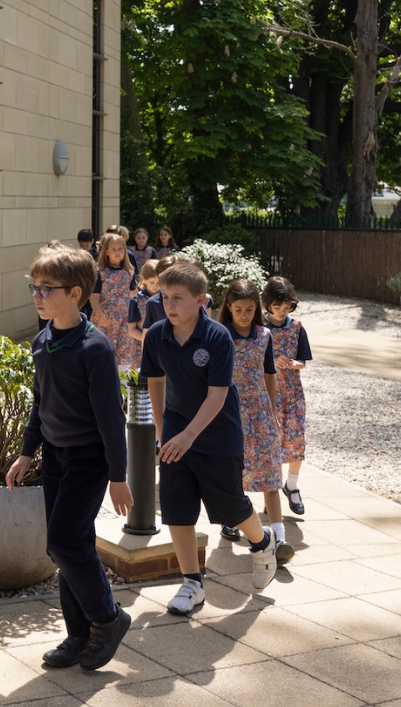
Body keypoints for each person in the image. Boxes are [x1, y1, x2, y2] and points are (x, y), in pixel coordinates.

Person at [7, 242, 134, 671]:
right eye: (35, 287)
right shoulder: (43, 341)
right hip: (56, 458)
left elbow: (112, 419)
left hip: (88, 459)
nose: (38, 295)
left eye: (47, 288)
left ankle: (108, 620)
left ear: (75, 293)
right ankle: (78, 635)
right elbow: (41, 403)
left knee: (62, 542)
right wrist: (27, 453)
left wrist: (119, 475)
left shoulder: (94, 347)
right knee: (68, 547)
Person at [140, 261, 277, 616]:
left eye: (178, 298)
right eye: (165, 297)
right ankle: (192, 583)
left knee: (229, 505)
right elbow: (155, 381)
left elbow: (217, 395)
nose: (170, 305)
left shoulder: (217, 336)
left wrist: (187, 435)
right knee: (177, 508)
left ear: (201, 300)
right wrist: (162, 429)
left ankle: (262, 543)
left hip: (217, 434)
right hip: (175, 432)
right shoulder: (156, 334)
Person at [217, 280, 294, 564]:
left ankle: (279, 536)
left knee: (271, 474)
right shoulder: (220, 334)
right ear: (228, 307)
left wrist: (272, 412)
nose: (245, 314)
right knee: (232, 471)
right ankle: (230, 519)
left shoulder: (264, 336)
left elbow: (269, 374)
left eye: (250, 309)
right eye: (238, 309)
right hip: (229, 412)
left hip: (260, 412)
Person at [263, 276, 312, 517]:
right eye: (277, 307)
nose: (282, 312)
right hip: (267, 392)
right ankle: (271, 489)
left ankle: (291, 486)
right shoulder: (258, 328)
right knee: (271, 440)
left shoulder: (297, 327)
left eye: (286, 307)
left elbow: (303, 361)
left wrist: (294, 363)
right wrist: (272, 362)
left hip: (292, 393)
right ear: (267, 304)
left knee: (296, 438)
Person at [89, 231, 138, 370]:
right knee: (104, 351)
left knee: (124, 353)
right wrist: (99, 314)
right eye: (114, 249)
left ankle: (123, 387)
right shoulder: (100, 272)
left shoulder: (129, 271)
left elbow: (133, 294)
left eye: (120, 249)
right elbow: (93, 296)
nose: (118, 252)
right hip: (105, 320)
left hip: (124, 320)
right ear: (106, 252)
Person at [126, 258, 160, 352]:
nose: (155, 286)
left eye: (159, 282)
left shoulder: (166, 298)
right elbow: (132, 329)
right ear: (144, 280)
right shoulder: (136, 300)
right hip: (141, 346)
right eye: (152, 282)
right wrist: (147, 340)